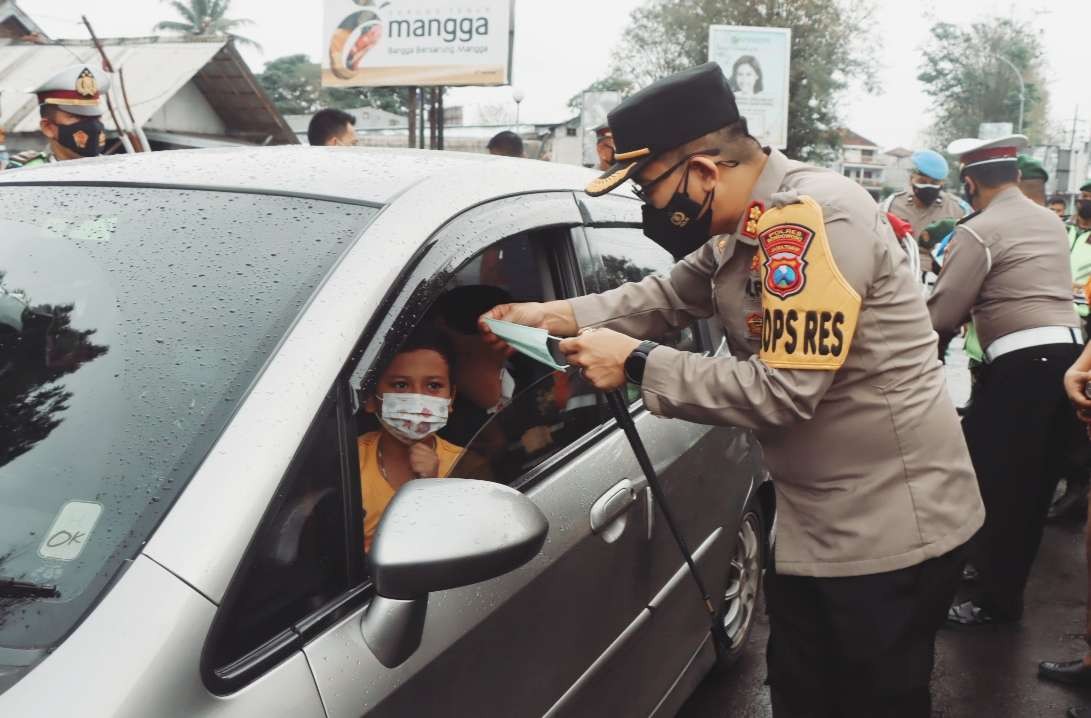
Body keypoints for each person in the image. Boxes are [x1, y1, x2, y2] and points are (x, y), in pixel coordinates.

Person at [482, 62, 982, 717]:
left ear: (702, 172)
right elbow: (666, 294)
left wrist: (634, 362)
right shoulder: (740, 224)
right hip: (818, 520)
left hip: (887, 529)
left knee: (868, 701)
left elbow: (784, 390)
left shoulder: (812, 220)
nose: (647, 205)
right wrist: (557, 316)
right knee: (804, 694)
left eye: (647, 184)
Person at [928, 134, 1084, 627]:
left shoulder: (978, 230)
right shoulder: (1049, 222)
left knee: (989, 482)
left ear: (969, 183)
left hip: (1022, 368)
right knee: (1030, 487)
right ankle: (993, 580)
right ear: (1016, 176)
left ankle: (994, 602)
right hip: (1066, 358)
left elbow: (943, 313)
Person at [357, 327, 462, 552]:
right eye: (400, 385)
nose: (418, 399)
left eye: (433, 386)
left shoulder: (465, 467)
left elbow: (460, 546)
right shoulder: (346, 463)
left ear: (451, 398)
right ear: (370, 398)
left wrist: (430, 486)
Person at [881, 149, 971, 278]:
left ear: (942, 183)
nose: (928, 187)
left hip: (939, 280)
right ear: (911, 179)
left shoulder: (959, 209)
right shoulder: (890, 206)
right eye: (922, 182)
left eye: (935, 183)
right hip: (898, 278)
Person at [5, 64, 111, 169]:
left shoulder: (115, 170)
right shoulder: (26, 172)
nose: (93, 126)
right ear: (48, 128)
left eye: (96, 118)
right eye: (77, 117)